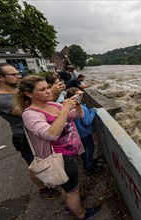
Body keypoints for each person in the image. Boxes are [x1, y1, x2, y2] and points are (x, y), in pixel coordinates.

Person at [15, 76, 101, 219]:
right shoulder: (30, 114)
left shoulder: (54, 105)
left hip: (72, 152)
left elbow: (79, 115)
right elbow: (51, 134)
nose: (49, 91)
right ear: (29, 94)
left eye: (48, 87)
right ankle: (82, 214)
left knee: (68, 186)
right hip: (60, 158)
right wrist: (66, 108)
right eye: (42, 89)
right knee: (73, 189)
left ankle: (71, 202)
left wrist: (77, 102)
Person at [0, 63, 61, 199]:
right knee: (36, 165)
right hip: (23, 136)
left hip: (37, 132)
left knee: (47, 160)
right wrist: (52, 93)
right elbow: (27, 111)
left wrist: (50, 95)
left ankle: (54, 182)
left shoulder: (17, 91)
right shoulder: (0, 99)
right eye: (13, 75)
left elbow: (45, 107)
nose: (18, 76)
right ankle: (44, 189)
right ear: (0, 78)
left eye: (17, 73)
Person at [66, 87, 101, 175]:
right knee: (91, 147)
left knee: (82, 149)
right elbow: (87, 122)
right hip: (85, 133)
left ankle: (86, 163)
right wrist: (92, 111)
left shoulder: (68, 107)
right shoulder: (83, 109)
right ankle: (89, 166)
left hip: (77, 133)